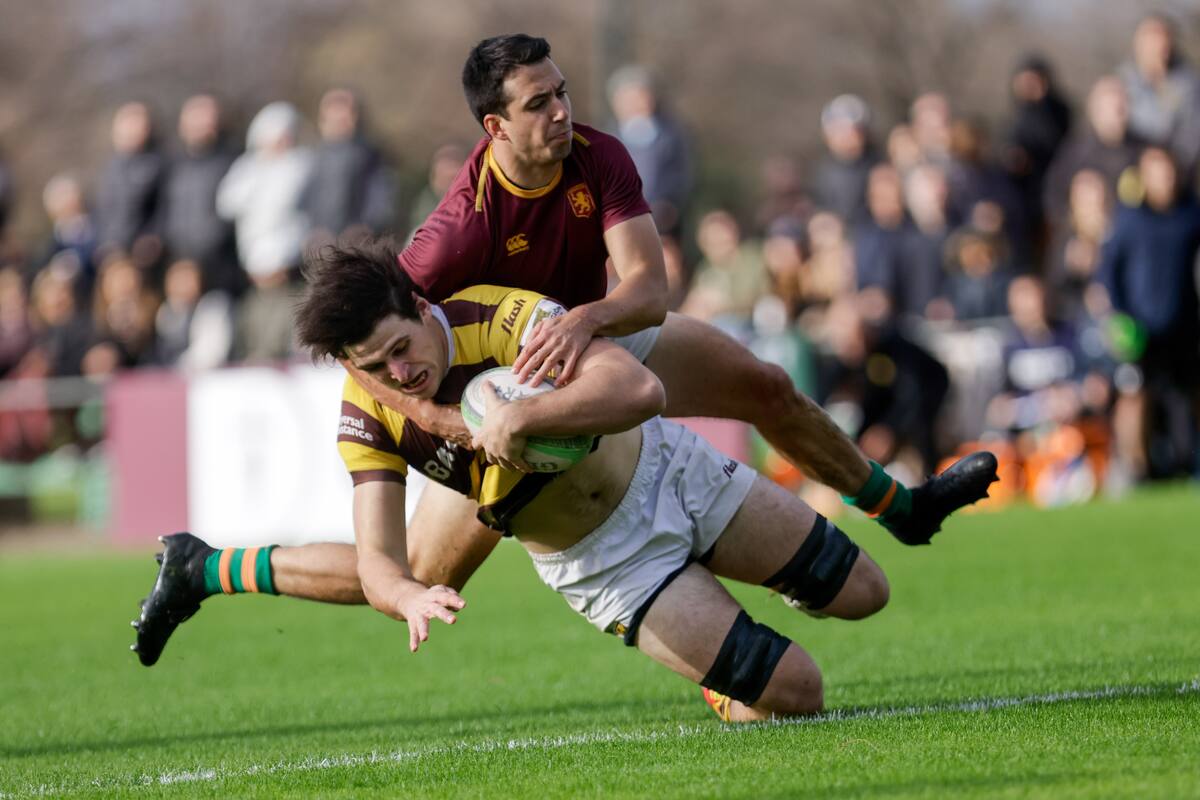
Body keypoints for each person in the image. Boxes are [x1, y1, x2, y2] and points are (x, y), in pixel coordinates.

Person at [133, 34, 998, 667]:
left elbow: (649, 290)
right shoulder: (454, 234)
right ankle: (207, 569)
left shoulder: (598, 155)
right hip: (497, 398)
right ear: (494, 125)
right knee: (402, 575)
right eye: (539, 103)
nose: (562, 111)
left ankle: (901, 508)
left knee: (765, 384)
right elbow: (364, 358)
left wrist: (585, 322)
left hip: (591, 341)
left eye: (562, 92)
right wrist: (455, 421)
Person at [140, 240, 997, 722]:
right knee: (798, 695)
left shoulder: (495, 316)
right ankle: (715, 666)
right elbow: (377, 560)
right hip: (606, 564)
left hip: (671, 471)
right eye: (373, 365)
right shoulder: (368, 413)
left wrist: (522, 419)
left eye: (402, 348)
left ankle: (853, 533)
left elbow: (639, 391)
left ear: (421, 306)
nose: (399, 373)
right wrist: (404, 597)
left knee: (867, 593)